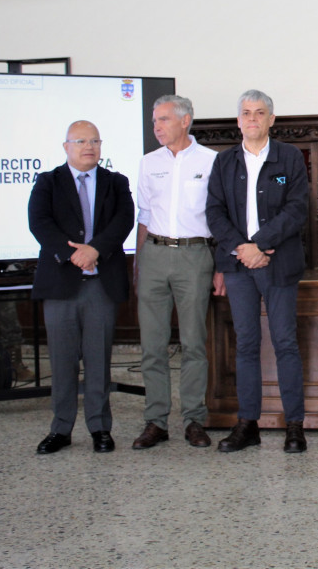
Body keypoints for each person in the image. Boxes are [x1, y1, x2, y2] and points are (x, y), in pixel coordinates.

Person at [206, 90, 309, 453]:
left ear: (271, 120)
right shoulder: (224, 163)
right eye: (246, 113)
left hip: (278, 262)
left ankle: (294, 426)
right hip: (237, 266)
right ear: (238, 121)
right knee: (246, 344)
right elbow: (214, 213)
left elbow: (298, 209)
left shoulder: (290, 157)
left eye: (260, 113)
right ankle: (247, 424)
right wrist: (241, 249)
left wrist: (261, 245)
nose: (252, 119)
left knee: (285, 343)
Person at [27, 121, 134, 455]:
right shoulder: (48, 181)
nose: (89, 146)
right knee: (61, 361)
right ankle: (60, 430)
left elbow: (124, 220)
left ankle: (100, 428)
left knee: (98, 359)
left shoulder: (116, 182)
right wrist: (74, 254)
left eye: (95, 141)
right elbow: (38, 222)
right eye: (81, 141)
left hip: (101, 284)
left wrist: (95, 250)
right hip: (61, 283)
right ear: (66, 146)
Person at [132, 95, 221, 451]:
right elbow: (143, 214)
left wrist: (222, 267)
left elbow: (219, 217)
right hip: (153, 254)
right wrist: (139, 263)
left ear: (185, 121)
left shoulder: (211, 161)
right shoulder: (147, 162)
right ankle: (155, 421)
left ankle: (194, 420)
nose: (157, 127)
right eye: (155, 120)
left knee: (193, 344)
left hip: (195, 255)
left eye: (164, 120)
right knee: (152, 345)